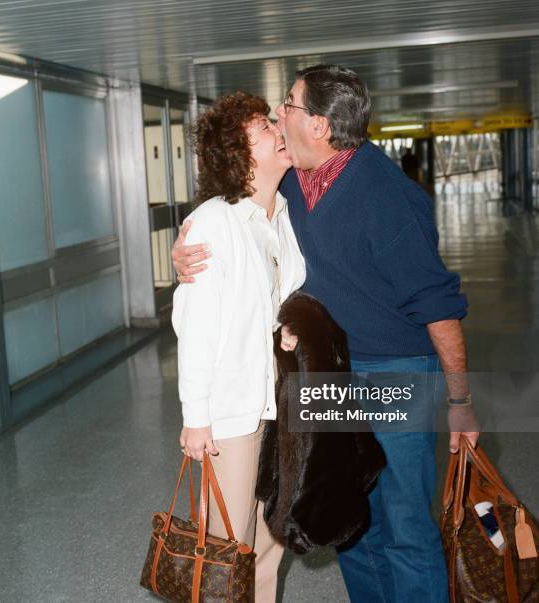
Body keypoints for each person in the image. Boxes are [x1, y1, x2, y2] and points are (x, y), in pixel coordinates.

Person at [172, 65, 480, 603]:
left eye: (287, 106)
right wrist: (187, 249)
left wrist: (460, 399)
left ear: (317, 125)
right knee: (349, 521)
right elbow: (236, 209)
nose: (279, 115)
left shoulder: (389, 197)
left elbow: (439, 308)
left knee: (406, 525)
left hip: (393, 372)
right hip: (328, 375)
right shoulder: (288, 182)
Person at [172, 91, 305, 602]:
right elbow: (196, 325)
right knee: (229, 548)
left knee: (270, 539)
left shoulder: (280, 216)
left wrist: (288, 327)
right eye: (265, 129)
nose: (277, 131)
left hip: (276, 399)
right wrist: (195, 418)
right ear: (239, 155)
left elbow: (279, 297)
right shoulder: (214, 223)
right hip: (230, 410)